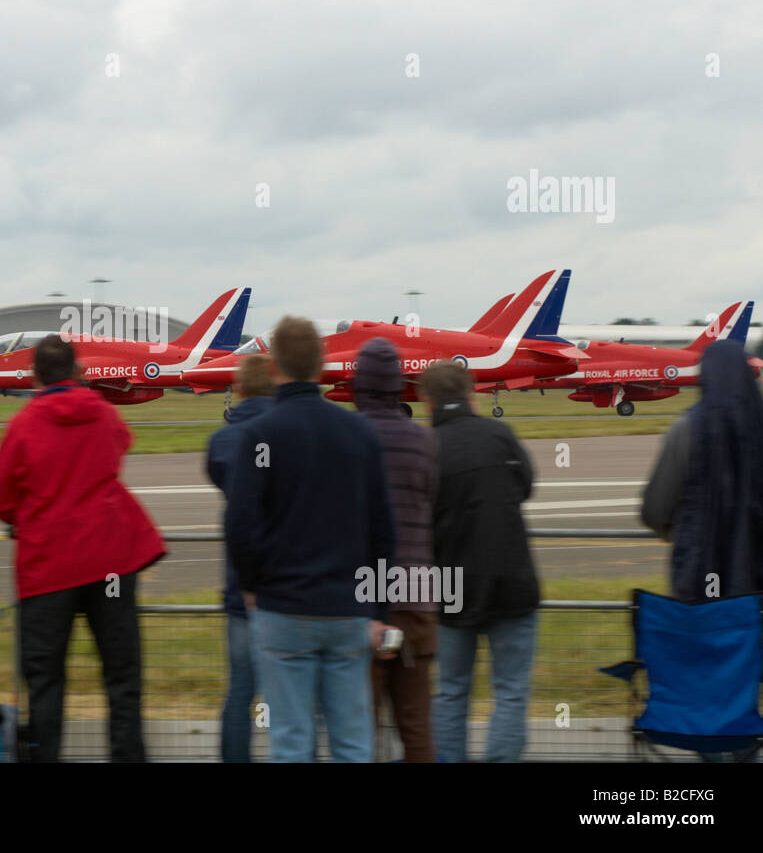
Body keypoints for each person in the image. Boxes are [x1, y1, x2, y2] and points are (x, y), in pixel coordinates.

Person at [0, 334, 165, 762]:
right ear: (76, 371)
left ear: (34, 377)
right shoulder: (103, 414)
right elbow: (122, 445)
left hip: (48, 567)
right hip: (110, 563)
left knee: (46, 681)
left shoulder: (24, 423)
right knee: (122, 677)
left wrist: (25, 517)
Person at [225, 316, 396, 763]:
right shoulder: (360, 432)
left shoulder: (259, 435)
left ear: (274, 366)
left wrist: (251, 587)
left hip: (282, 608)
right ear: (323, 365)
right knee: (353, 742)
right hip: (348, 611)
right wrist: (378, 609)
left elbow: (241, 524)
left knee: (292, 743)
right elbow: (383, 530)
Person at [420, 360, 539, 763]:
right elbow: (524, 486)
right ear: (471, 394)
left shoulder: (427, 448)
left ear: (427, 401)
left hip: (452, 586)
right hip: (512, 579)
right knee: (510, 690)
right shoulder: (499, 433)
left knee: (452, 690)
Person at [353, 338, 439, 763]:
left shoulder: (347, 438)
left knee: (360, 730)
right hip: (418, 593)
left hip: (361, 597)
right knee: (417, 728)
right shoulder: (425, 442)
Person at [642, 340, 763, 601]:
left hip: (697, 582)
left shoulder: (686, 429)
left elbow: (654, 511)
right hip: (756, 586)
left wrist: (686, 531)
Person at [205, 354, 275, 763]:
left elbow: (222, 480)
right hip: (291, 585)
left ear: (239, 388)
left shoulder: (224, 440)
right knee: (296, 695)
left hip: (240, 584)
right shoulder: (292, 433)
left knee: (240, 691)